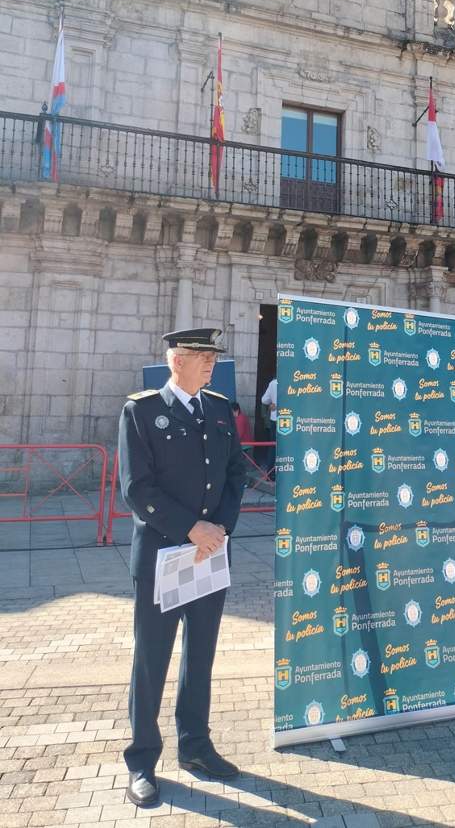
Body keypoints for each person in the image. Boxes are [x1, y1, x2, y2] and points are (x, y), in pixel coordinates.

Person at [118, 328, 247, 807]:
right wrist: (191, 528)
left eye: (213, 356)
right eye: (201, 356)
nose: (210, 363)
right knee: (152, 659)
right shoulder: (143, 411)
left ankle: (195, 745)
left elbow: (236, 471)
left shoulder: (218, 408)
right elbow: (137, 488)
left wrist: (220, 529)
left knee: (201, 655)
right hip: (164, 554)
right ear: (177, 361)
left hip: (211, 553)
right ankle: (142, 760)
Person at [260, 375, 278, 476]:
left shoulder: (273, 383)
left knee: (273, 446)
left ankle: (271, 474)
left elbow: (264, 400)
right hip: (289, 419)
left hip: (275, 419)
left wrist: (273, 401)